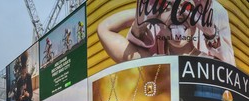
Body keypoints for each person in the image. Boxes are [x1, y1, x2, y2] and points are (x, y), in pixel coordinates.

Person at [97, 0, 234, 64]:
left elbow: (232, 79)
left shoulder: (211, 64)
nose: (177, 14)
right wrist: (146, 16)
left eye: (185, 7)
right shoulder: (152, 61)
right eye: (168, 6)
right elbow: (104, 29)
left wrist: (211, 35)